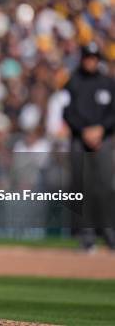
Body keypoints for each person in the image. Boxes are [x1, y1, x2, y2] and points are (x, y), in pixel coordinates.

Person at [63, 42, 115, 252]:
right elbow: (67, 111)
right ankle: (86, 234)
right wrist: (84, 130)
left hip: (104, 140)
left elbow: (113, 112)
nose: (90, 61)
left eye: (93, 58)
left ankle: (110, 232)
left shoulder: (108, 84)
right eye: (87, 58)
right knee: (82, 188)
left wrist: (101, 128)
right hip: (79, 140)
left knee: (105, 187)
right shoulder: (73, 83)